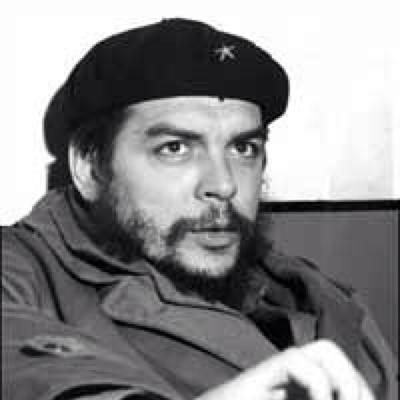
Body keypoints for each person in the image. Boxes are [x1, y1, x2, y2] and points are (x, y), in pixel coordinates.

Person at [2, 18, 397, 400]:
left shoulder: (312, 292)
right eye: (175, 148)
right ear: (90, 168)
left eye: (243, 148)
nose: (224, 185)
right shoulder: (22, 268)